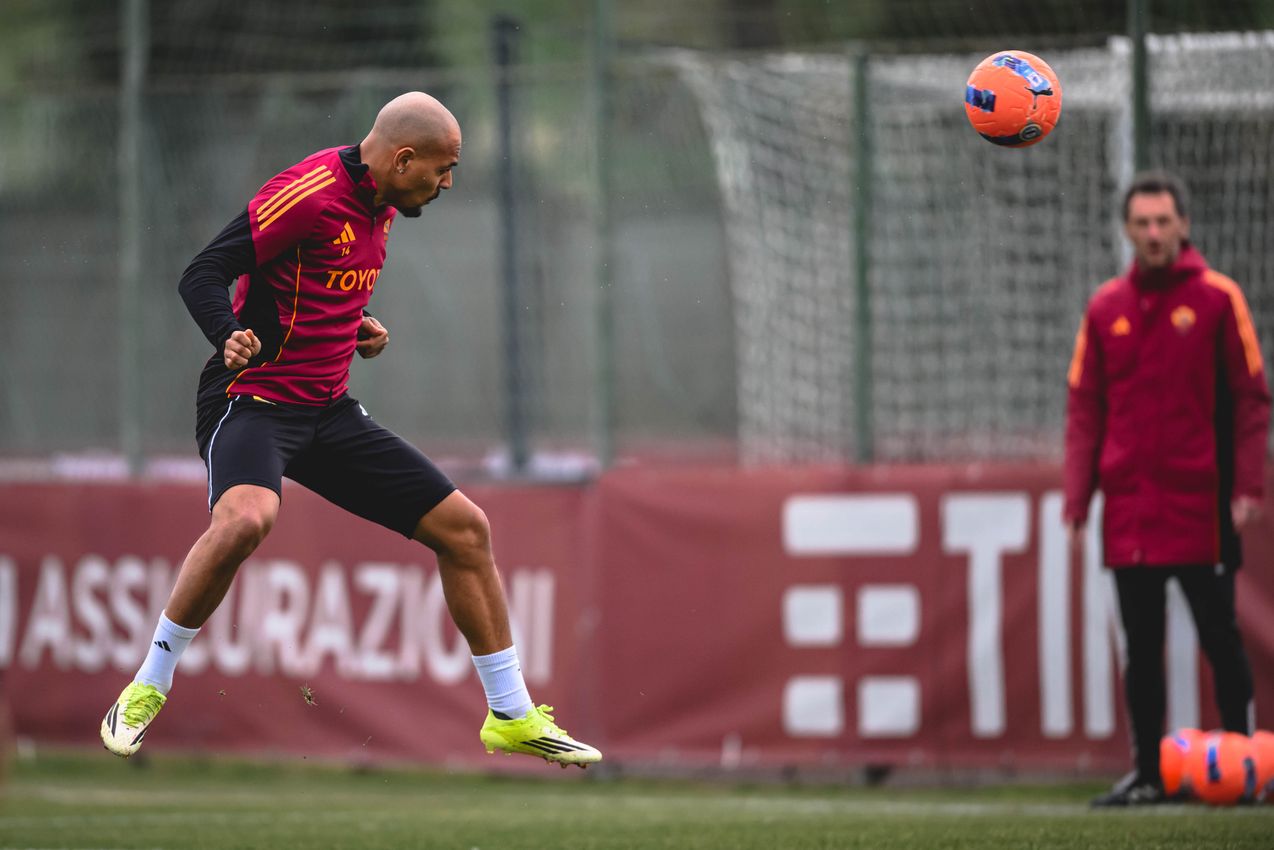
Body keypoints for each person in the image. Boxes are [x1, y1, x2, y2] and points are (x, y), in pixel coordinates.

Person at [100, 92, 601, 768]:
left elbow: (313, 284)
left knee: (466, 531)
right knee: (247, 521)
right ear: (402, 158)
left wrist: (352, 324)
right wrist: (229, 336)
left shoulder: (384, 205)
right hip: (250, 401)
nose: (447, 182)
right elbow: (204, 272)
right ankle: (146, 687)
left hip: (327, 412)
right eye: (442, 168)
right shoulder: (308, 192)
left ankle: (510, 714)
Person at [1064, 172, 1268, 806]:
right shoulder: (1105, 309)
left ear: (1182, 225)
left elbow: (1251, 399)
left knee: (1219, 635)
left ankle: (1245, 760)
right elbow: (1084, 407)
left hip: (1200, 504)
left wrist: (1248, 484)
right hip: (1130, 510)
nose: (1153, 234)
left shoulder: (1216, 298)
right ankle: (1149, 773)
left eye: (1163, 222)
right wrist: (1078, 497)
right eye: (1142, 223)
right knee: (1141, 649)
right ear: (1127, 230)